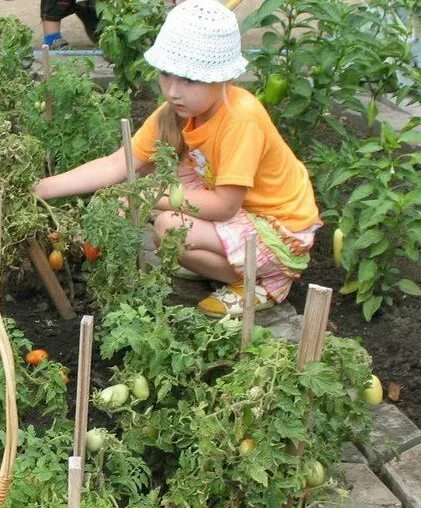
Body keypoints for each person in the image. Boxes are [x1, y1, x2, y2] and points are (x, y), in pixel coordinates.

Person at [33, 0, 320, 317]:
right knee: (162, 175)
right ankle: (222, 259)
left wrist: (152, 198)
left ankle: (262, 280)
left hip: (279, 229)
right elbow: (118, 164)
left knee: (169, 227)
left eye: (189, 79)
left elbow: (226, 205)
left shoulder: (241, 119)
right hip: (241, 215)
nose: (172, 91)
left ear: (221, 77)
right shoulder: (177, 113)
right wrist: (40, 188)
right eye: (167, 75)